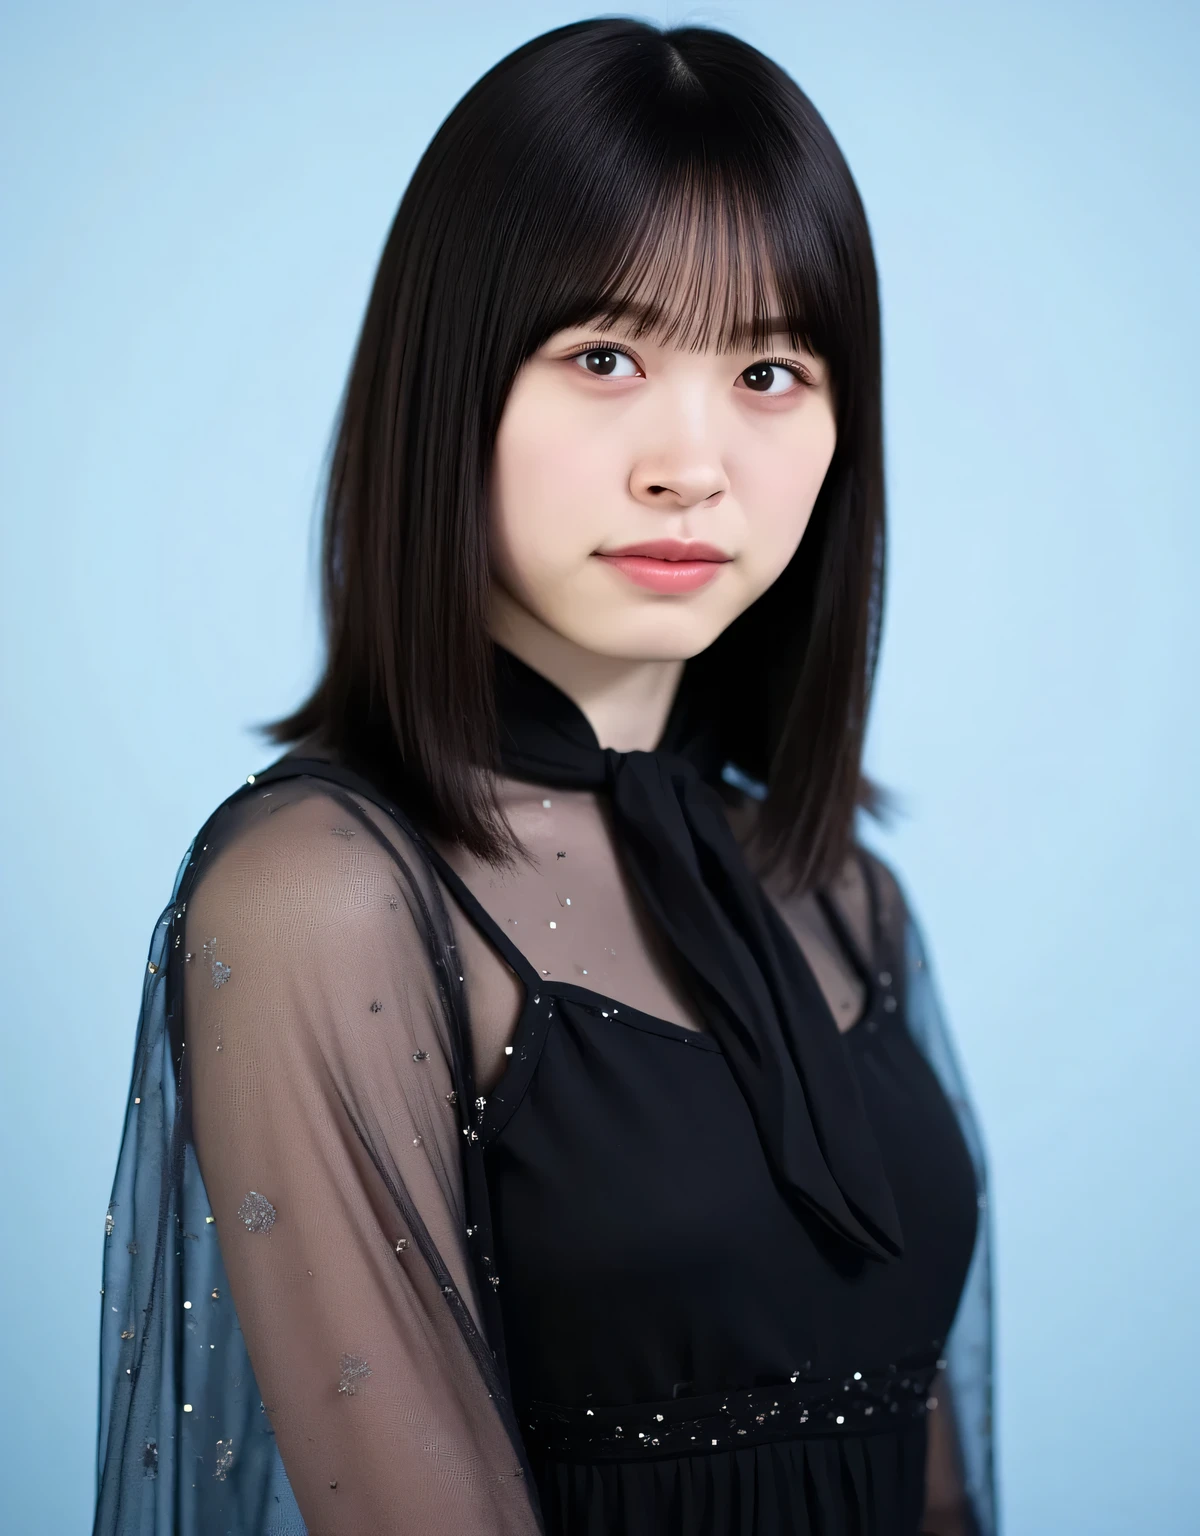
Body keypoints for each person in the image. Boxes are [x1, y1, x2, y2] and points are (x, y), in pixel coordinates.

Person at [93, 18, 995, 1536]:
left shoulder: (840, 893)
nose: (690, 463)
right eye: (605, 356)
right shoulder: (325, 900)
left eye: (771, 367)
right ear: (453, 385)